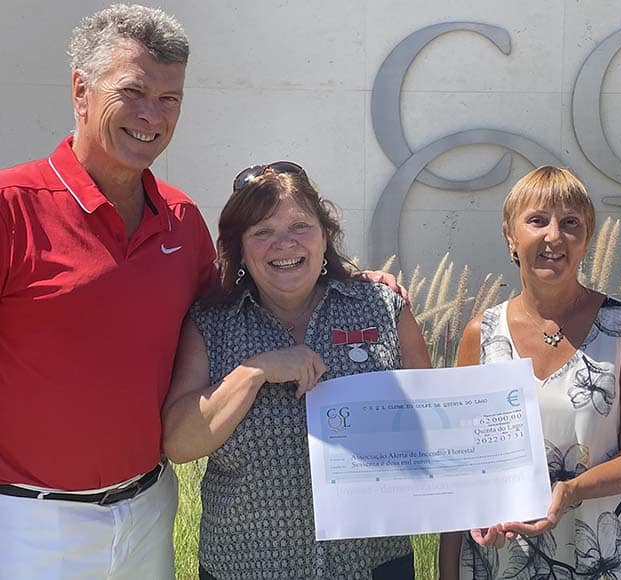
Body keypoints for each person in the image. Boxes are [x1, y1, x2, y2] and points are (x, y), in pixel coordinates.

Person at [0, 5, 217, 578]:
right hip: (27, 525)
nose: (153, 115)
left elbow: (238, 317)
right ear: (81, 90)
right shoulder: (11, 207)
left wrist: (346, 279)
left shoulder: (182, 218)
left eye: (170, 98)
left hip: (149, 510)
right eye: (134, 90)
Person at [161, 162, 431, 579]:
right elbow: (180, 443)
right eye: (262, 232)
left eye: (300, 226)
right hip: (245, 567)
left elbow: (434, 423)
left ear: (325, 236)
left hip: (371, 564)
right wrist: (253, 372)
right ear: (241, 250)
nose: (284, 244)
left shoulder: (383, 309)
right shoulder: (211, 325)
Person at [439, 166, 621, 579]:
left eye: (570, 223)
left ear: (586, 239)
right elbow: (462, 470)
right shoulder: (481, 335)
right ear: (511, 234)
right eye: (538, 220)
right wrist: (447, 571)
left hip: (605, 554)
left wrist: (573, 490)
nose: (553, 236)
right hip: (506, 560)